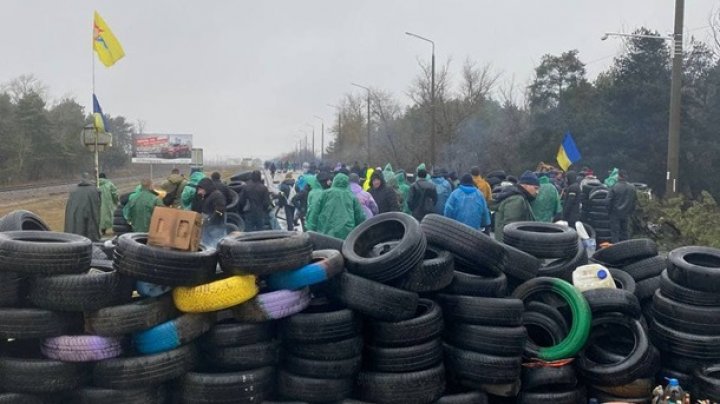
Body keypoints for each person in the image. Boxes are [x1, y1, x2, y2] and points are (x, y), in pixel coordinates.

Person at [306, 173, 366, 239]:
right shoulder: (352, 197)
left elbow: (314, 212)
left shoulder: (324, 194)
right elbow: (360, 217)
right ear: (347, 183)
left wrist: (310, 229)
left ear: (334, 182)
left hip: (325, 232)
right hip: (346, 234)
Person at [493, 171, 539, 241]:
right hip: (510, 248)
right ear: (525, 185)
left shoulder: (519, 197)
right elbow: (511, 229)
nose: (537, 192)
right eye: (536, 188)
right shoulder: (516, 200)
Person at [64, 173, 101, 241]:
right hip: (86, 222)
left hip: (72, 228)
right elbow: (94, 213)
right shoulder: (93, 191)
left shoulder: (74, 190)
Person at [607, 170, 637, 243]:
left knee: (615, 233)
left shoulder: (614, 187)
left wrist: (609, 211)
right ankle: (625, 250)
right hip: (626, 213)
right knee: (625, 232)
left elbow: (608, 201)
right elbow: (634, 201)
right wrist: (630, 211)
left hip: (615, 214)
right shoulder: (632, 187)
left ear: (618, 176)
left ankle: (616, 250)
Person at [196, 177, 227, 248]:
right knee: (206, 246)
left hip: (215, 229)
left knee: (215, 246)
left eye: (200, 189)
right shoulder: (208, 196)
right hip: (208, 228)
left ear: (206, 188)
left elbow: (220, 211)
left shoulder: (217, 195)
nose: (199, 192)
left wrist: (209, 220)